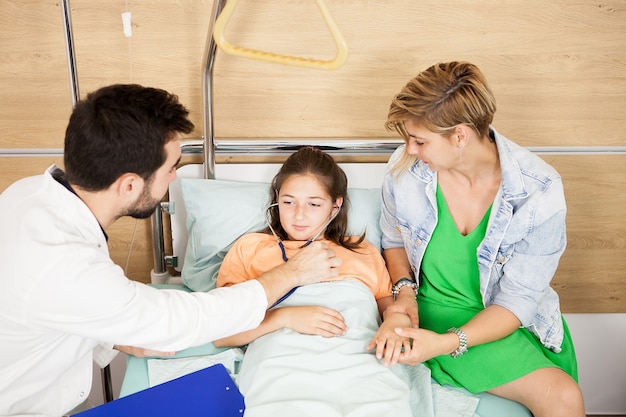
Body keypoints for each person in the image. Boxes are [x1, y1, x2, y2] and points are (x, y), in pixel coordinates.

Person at [0, 84, 340, 417]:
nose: (175, 178)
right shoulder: (63, 263)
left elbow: (62, 306)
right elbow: (183, 318)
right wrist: (291, 273)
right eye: (170, 168)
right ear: (130, 185)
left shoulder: (30, 194)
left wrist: (114, 338)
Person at [376, 61, 585, 417]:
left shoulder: (540, 192)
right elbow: (392, 240)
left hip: (499, 318)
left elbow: (518, 302)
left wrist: (445, 344)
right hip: (433, 311)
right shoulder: (406, 171)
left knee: (563, 397)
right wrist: (405, 297)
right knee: (563, 397)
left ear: (460, 136)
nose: (410, 150)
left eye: (421, 140)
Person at [213, 147, 418, 416]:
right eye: (288, 202)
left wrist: (397, 321)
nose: (299, 215)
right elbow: (222, 333)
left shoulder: (363, 251)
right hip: (282, 363)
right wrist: (285, 317)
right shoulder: (250, 249)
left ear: (336, 205)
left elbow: (390, 310)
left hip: (361, 360)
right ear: (276, 200)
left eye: (313, 204)